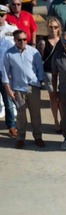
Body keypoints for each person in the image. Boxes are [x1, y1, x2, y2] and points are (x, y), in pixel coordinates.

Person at [2, 28, 45, 148]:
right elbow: (5, 73)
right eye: (19, 40)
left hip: (33, 87)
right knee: (21, 115)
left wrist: (40, 82)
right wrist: (8, 90)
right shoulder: (9, 54)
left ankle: (38, 137)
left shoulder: (33, 52)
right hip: (18, 88)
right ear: (15, 40)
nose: (22, 42)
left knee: (36, 114)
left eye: (25, 39)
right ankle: (20, 138)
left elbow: (39, 68)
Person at [36, 16, 62, 133]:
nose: (53, 29)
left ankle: (63, 121)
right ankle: (56, 121)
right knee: (53, 97)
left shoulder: (63, 40)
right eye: (51, 27)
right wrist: (39, 76)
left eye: (55, 27)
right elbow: (39, 60)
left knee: (61, 98)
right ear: (47, 27)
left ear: (59, 28)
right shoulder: (43, 41)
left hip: (62, 73)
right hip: (49, 73)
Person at [0, 6, 17, 137]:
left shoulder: (12, 29)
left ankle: (11, 125)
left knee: (8, 101)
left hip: (6, 70)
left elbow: (16, 50)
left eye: (2, 15)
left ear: (6, 15)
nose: (0, 18)